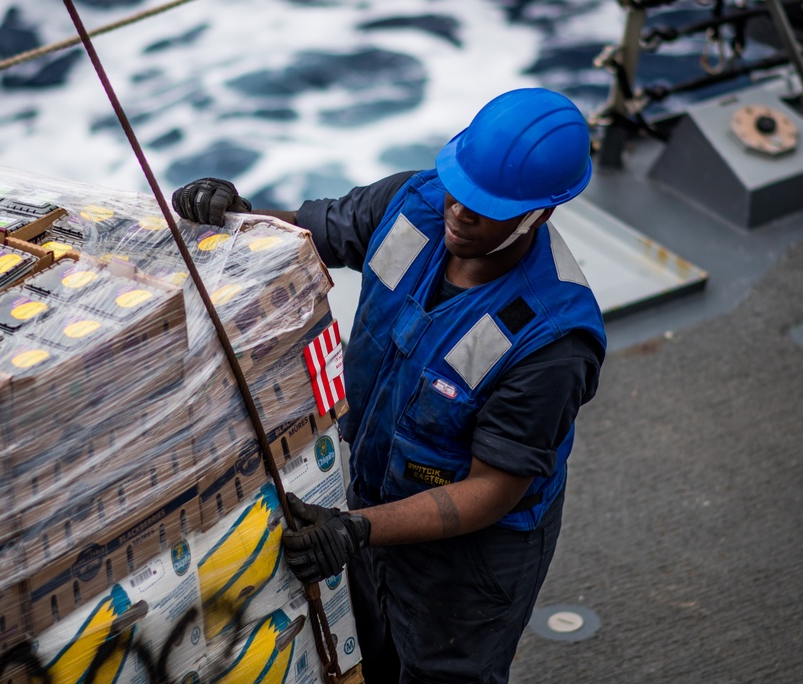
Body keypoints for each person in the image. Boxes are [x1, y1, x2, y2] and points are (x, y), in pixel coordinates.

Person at [171, 87, 606, 683]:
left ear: (541, 214)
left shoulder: (550, 338)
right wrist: (237, 212)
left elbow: (494, 490)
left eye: (486, 205)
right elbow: (303, 233)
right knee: (369, 657)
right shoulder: (415, 202)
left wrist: (356, 531)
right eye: (459, 187)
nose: (460, 211)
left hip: (468, 558)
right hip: (372, 496)